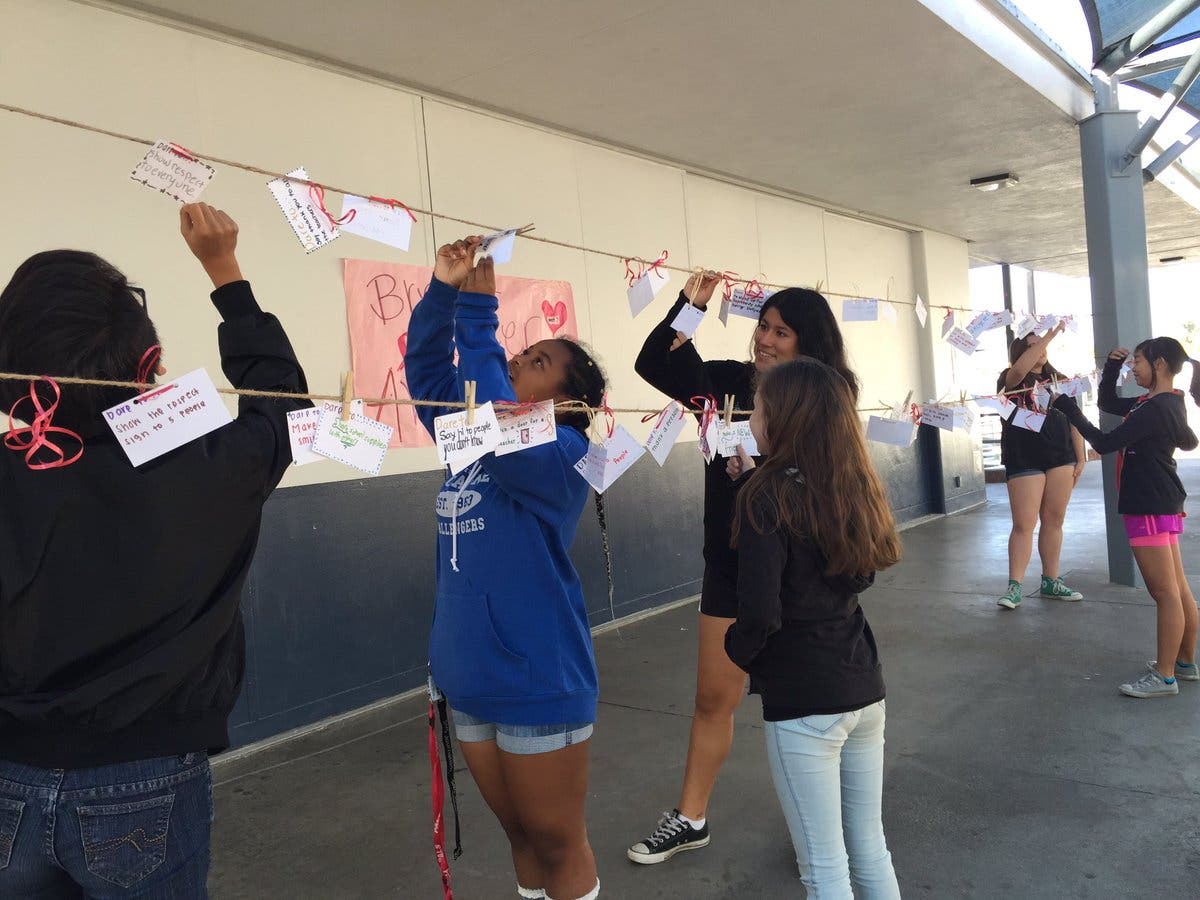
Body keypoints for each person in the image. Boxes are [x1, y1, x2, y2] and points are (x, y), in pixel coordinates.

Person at [0, 203, 310, 898]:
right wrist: (224, 271)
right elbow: (285, 407)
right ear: (147, 362)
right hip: (144, 776)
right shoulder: (208, 466)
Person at [628, 275, 858, 864]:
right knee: (713, 698)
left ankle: (827, 827)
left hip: (802, 572)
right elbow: (655, 359)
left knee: (810, 709)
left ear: (809, 342)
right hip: (731, 569)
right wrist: (691, 305)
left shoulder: (828, 396)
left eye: (782, 332)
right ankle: (690, 817)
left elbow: (833, 488)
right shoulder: (726, 384)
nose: (766, 340)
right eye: (764, 326)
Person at [407, 239, 608, 900]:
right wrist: (445, 289)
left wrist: (481, 315)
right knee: (519, 836)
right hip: (471, 675)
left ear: (568, 399)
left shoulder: (565, 451)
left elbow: (503, 426)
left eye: (539, 361)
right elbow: (429, 372)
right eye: (522, 353)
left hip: (537, 676)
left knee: (556, 839)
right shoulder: (469, 435)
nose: (520, 360)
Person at [725, 357, 902, 898]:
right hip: (862, 686)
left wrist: (740, 650)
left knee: (823, 866)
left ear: (783, 417)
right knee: (869, 843)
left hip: (804, 700)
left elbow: (759, 612)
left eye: (758, 407)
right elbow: (860, 575)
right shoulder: (847, 485)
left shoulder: (765, 497)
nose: (752, 416)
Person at [1052, 338, 1200, 698]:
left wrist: (1070, 412)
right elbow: (1107, 403)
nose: (1134, 368)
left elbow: (1103, 444)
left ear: (1160, 363)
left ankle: (1165, 677)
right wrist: (1112, 369)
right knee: (1177, 588)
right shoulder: (1157, 403)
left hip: (1148, 501)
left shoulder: (1155, 408)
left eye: (1138, 362)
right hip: (1159, 499)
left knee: (1165, 592)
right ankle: (1183, 663)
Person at [995, 324, 1087, 610]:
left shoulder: (1059, 380)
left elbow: (1074, 418)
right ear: (1022, 351)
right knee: (1024, 523)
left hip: (1060, 455)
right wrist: (1049, 333)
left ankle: (1051, 580)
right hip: (1024, 457)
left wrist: (1080, 454)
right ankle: (1015, 587)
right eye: (1035, 345)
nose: (1042, 349)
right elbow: (1019, 372)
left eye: (1045, 346)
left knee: (1054, 520)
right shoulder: (1010, 378)